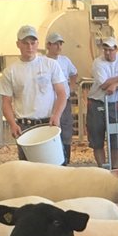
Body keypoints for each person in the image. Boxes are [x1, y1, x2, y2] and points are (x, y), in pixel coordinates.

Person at [0, 24, 69, 162]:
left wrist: (57, 115)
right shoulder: (10, 71)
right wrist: (12, 124)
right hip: (25, 125)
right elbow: (6, 102)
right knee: (28, 172)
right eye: (25, 43)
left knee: (54, 167)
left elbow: (62, 93)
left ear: (37, 43)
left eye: (33, 43)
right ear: (18, 44)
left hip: (48, 123)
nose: (29, 47)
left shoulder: (50, 65)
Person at [87, 35, 118, 167]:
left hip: (114, 103)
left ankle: (115, 168)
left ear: (116, 49)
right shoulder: (97, 62)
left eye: (110, 49)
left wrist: (116, 85)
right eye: (105, 49)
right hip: (97, 103)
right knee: (97, 139)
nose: (107, 52)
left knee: (116, 138)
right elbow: (103, 84)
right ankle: (102, 169)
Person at [45, 32, 78, 164]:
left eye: (60, 44)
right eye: (56, 44)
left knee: (65, 130)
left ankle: (66, 160)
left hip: (64, 101)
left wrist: (72, 87)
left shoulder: (65, 60)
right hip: (49, 102)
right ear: (48, 45)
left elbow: (74, 73)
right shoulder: (43, 61)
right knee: (51, 130)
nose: (59, 46)